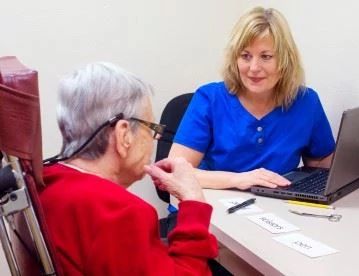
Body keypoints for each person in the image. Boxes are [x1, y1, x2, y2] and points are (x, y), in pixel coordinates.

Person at [40, 62, 218, 275]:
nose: (157, 137)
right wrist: (193, 201)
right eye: (151, 128)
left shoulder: (47, 181)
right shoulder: (120, 214)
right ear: (124, 134)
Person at [169, 7, 335, 190]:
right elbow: (177, 172)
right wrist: (239, 180)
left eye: (266, 56)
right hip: (211, 208)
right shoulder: (209, 99)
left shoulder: (306, 102)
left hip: (274, 210)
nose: (254, 67)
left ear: (286, 60)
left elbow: (321, 165)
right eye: (245, 56)